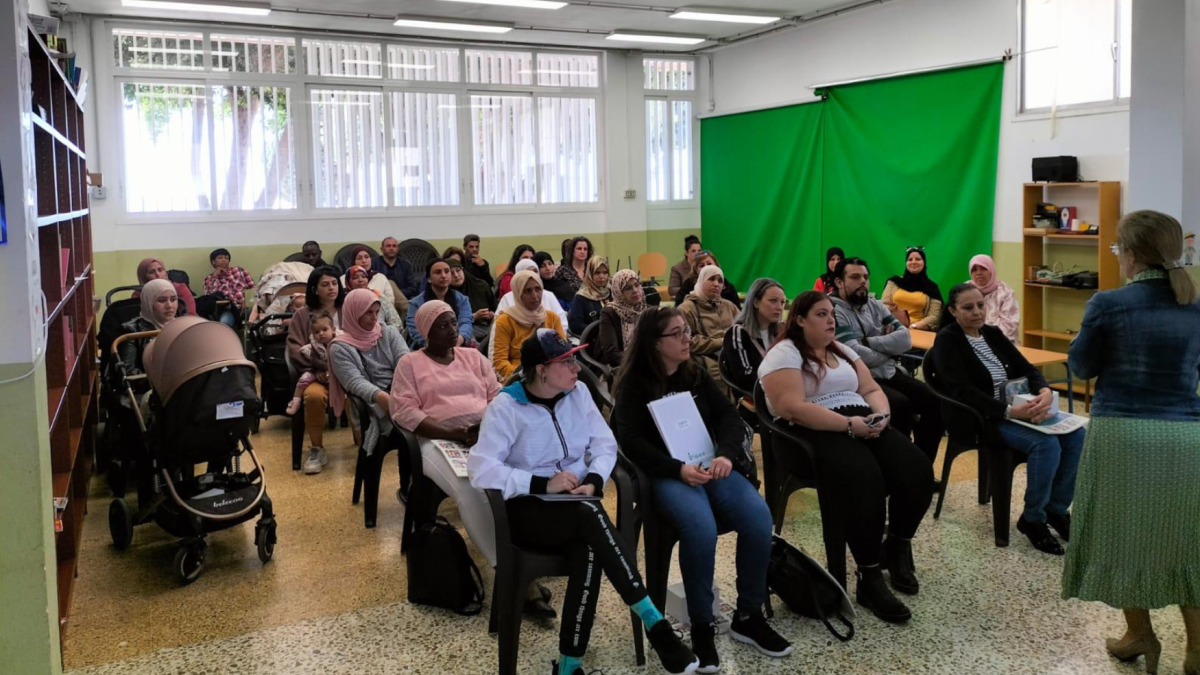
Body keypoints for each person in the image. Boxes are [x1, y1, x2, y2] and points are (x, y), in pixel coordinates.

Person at [469, 329, 700, 675]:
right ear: (541, 370)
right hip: (528, 511)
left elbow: (604, 444)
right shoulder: (507, 407)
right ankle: (657, 625)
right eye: (566, 362)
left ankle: (568, 666)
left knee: (589, 548)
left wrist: (593, 480)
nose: (577, 368)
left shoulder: (577, 394)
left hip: (578, 506)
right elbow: (481, 469)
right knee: (589, 520)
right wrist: (542, 481)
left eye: (575, 358)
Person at [614, 308, 793, 671]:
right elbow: (630, 442)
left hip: (709, 464)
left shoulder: (693, 372)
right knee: (700, 527)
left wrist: (726, 454)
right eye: (677, 334)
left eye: (687, 331)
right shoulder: (633, 384)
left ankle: (748, 615)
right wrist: (676, 469)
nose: (686, 339)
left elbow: (729, 416)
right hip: (667, 473)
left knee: (759, 516)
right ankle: (701, 627)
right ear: (654, 343)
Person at [1061, 210, 1200, 675]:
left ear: (1134, 253)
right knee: (1187, 541)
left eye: (1118, 248)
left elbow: (1080, 366)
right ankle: (1197, 649)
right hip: (1185, 435)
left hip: (1124, 432)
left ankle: (1140, 633)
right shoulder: (1195, 305)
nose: (1117, 256)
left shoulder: (1109, 303)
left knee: (1125, 537)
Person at [759, 290, 934, 624]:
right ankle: (869, 577)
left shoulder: (839, 348)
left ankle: (897, 546)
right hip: (808, 434)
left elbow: (870, 390)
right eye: (822, 315)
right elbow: (790, 407)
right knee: (865, 478)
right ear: (799, 320)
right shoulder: (784, 353)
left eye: (831, 315)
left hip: (859, 421)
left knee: (917, 469)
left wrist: (881, 416)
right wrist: (848, 425)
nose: (831, 321)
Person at [390, 300, 556, 618]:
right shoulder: (410, 364)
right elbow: (405, 411)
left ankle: (529, 552)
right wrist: (455, 434)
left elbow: (496, 394)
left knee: (526, 471)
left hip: (483, 437)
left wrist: (489, 427)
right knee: (471, 487)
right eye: (442, 325)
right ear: (426, 332)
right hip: (438, 443)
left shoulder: (472, 357)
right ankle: (510, 572)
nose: (452, 330)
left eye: (453, 322)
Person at [931, 283, 1084, 555]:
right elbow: (961, 390)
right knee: (1046, 445)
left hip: (1017, 409)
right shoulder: (947, 339)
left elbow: (1027, 368)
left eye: (980, 305)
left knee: (1076, 436)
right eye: (968, 308)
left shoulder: (992, 333)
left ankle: (1056, 510)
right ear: (953, 311)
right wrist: (1009, 412)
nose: (977, 312)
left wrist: (1046, 392)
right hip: (983, 419)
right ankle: (1033, 519)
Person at [831, 257, 945, 464]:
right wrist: (889, 352)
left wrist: (868, 341)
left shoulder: (875, 305)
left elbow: (905, 339)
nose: (863, 282)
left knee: (934, 402)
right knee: (901, 407)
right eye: (855, 277)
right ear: (839, 282)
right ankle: (897, 470)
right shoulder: (833, 310)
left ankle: (920, 467)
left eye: (865, 277)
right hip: (858, 381)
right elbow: (853, 353)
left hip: (888, 373)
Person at [328, 288, 411, 472]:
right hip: (375, 409)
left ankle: (422, 483)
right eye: (368, 313)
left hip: (403, 394)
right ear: (353, 312)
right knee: (415, 432)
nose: (374, 318)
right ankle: (409, 487)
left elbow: (405, 362)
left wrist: (401, 394)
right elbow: (355, 383)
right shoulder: (339, 347)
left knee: (435, 420)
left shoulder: (387, 332)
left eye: (376, 312)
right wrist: (384, 398)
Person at [287, 266, 346, 473]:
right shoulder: (302, 315)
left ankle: (366, 442)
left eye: (334, 283)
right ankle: (317, 449)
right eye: (325, 284)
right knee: (312, 397)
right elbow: (294, 347)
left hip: (348, 375)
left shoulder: (348, 309)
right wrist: (315, 367)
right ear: (314, 289)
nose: (332, 288)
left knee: (366, 394)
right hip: (316, 375)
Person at [492, 271, 567, 381]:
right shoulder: (505, 321)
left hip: (552, 377)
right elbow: (499, 362)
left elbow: (563, 353)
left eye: (538, 289)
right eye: (527, 291)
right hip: (519, 379)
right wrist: (527, 376)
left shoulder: (552, 318)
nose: (535, 295)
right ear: (518, 293)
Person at [720, 278, 786, 395]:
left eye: (782, 302)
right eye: (773, 301)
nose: (779, 307)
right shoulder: (738, 332)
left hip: (785, 392)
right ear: (756, 302)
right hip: (757, 398)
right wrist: (781, 385)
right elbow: (745, 376)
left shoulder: (783, 330)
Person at [677, 265, 738, 387]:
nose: (716, 284)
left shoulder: (729, 306)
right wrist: (720, 342)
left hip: (732, 356)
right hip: (704, 361)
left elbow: (743, 329)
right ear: (701, 280)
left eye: (720, 281)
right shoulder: (686, 308)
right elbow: (687, 342)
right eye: (711, 279)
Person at [117, 278, 179, 382]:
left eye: (173, 299)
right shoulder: (131, 331)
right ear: (148, 303)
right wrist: (165, 381)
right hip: (150, 389)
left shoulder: (182, 325)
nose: (169, 306)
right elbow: (129, 374)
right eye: (161, 300)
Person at [406, 259, 474, 349]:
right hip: (427, 347)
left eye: (446, 271)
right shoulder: (415, 303)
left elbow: (466, 323)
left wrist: (458, 340)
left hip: (458, 344)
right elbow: (415, 330)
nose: (443, 276)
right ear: (429, 279)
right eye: (438, 272)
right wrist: (437, 345)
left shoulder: (462, 300)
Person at [286, 312, 338, 416]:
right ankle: (295, 401)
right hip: (318, 370)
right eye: (317, 332)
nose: (321, 334)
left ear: (333, 330)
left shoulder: (339, 342)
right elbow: (314, 360)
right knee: (303, 379)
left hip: (337, 372)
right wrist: (324, 368)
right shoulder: (315, 345)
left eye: (325, 329)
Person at [882, 247, 943, 331]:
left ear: (924, 262)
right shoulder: (894, 282)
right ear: (906, 263)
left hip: (919, 330)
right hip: (893, 328)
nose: (913, 262)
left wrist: (914, 326)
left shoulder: (932, 287)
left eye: (918, 259)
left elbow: (934, 316)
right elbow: (883, 305)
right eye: (910, 259)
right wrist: (896, 324)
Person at [443, 248, 496, 342]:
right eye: (451, 273)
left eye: (458, 270)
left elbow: (495, 308)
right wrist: (474, 317)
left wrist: (491, 314)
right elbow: (447, 324)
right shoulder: (445, 293)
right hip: (461, 332)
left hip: (487, 326)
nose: (456, 275)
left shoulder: (481, 286)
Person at [597, 269, 646, 369]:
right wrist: (639, 361)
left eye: (637, 285)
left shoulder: (647, 309)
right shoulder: (610, 312)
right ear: (618, 291)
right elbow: (611, 353)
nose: (635, 291)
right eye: (628, 288)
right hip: (622, 366)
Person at [967, 254, 1020, 344]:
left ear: (991, 270)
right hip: (969, 341)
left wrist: (982, 339)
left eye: (983, 268)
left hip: (1001, 342)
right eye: (974, 269)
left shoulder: (1005, 292)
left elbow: (1009, 325)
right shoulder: (965, 290)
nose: (979, 273)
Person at [203, 248, 255, 327]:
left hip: (246, 307)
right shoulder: (209, 278)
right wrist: (215, 277)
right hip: (228, 310)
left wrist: (247, 301)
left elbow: (253, 289)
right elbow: (209, 297)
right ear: (213, 262)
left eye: (226, 258)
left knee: (264, 317)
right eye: (220, 258)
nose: (224, 260)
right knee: (225, 323)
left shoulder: (240, 270)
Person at [674, 251, 742, 309]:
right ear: (696, 270)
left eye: (709, 264)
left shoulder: (728, 287)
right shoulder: (688, 285)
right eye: (701, 265)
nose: (706, 267)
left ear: (716, 265)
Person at [345, 265, 402, 330]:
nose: (360, 280)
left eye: (364, 276)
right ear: (348, 282)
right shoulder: (345, 301)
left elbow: (396, 322)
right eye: (355, 277)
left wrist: (383, 334)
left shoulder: (379, 297)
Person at [567, 256, 610, 336]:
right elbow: (575, 325)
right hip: (593, 342)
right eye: (597, 273)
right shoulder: (581, 297)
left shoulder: (612, 293)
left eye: (605, 273)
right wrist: (599, 331)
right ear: (590, 274)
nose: (602, 276)